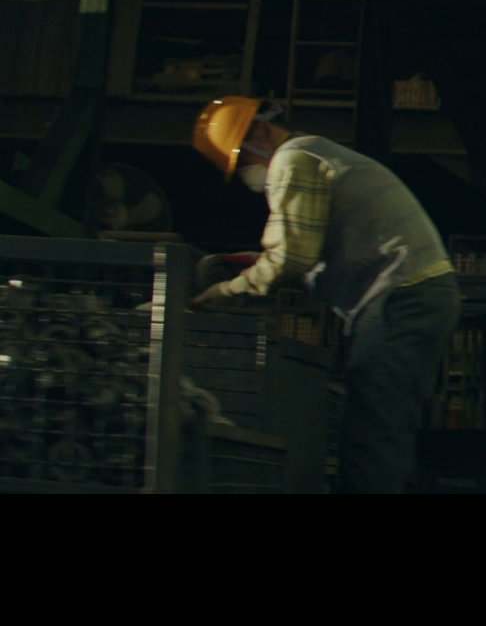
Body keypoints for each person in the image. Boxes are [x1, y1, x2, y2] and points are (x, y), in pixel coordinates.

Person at [191, 95, 461, 493]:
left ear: (263, 132)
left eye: (243, 161)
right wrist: (257, 263)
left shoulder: (292, 160)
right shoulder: (316, 153)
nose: (248, 172)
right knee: (382, 426)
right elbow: (305, 252)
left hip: (402, 296)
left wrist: (226, 292)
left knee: (373, 430)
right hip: (413, 294)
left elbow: (292, 257)